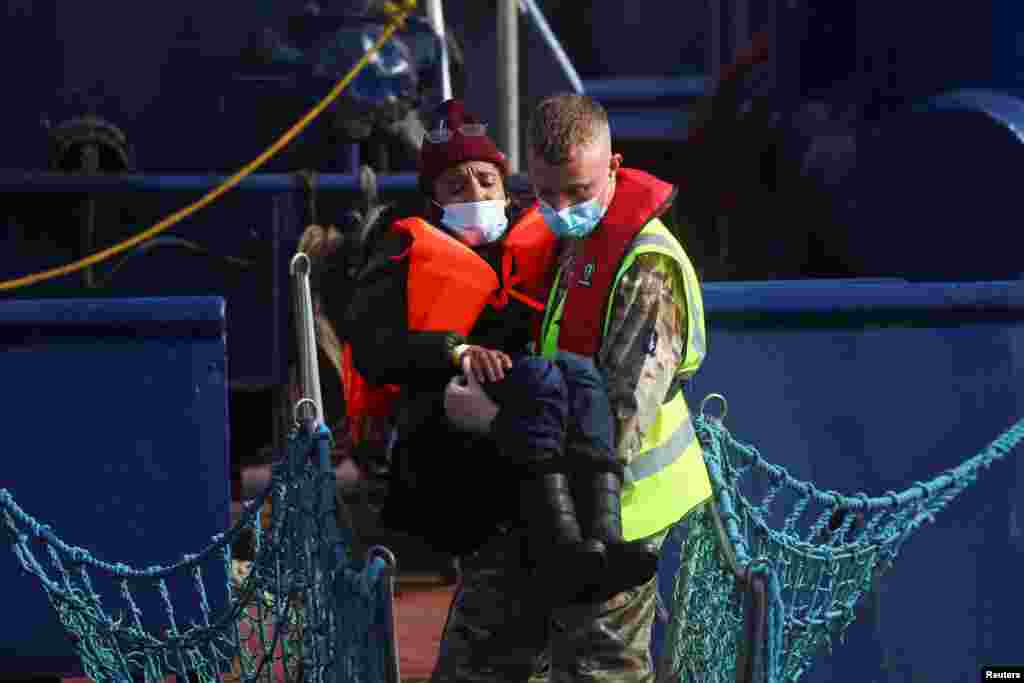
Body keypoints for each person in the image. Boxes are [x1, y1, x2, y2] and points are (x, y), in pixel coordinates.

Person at [435, 93, 713, 681]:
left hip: (619, 515)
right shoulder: (582, 241)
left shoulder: (645, 267)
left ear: (613, 167)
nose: (560, 208)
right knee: (487, 653)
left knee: (598, 669)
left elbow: (618, 418)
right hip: (553, 498)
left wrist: (494, 420)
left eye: (578, 193)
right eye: (545, 193)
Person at [335, 99, 655, 603]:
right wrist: (455, 352)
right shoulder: (401, 253)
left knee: (577, 375)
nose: (476, 194)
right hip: (448, 443)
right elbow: (373, 348)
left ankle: (604, 537)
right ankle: (564, 547)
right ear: (432, 198)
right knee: (547, 381)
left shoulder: (547, 235)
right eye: (456, 185)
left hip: (527, 425)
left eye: (486, 180)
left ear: (507, 186)